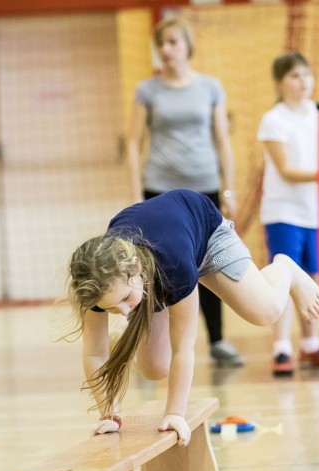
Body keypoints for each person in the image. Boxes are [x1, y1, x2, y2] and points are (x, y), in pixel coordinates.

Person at [66, 190, 319, 446]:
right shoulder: (99, 284)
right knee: (154, 368)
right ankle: (153, 295)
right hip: (157, 265)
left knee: (267, 311)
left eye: (124, 301)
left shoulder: (173, 266)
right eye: (111, 309)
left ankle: (285, 268)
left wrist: (175, 414)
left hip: (204, 234)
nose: (123, 312)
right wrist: (110, 415)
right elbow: (95, 354)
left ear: (135, 269)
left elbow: (184, 349)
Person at [125, 16, 243, 367]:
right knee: (155, 268)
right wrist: (135, 194)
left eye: (173, 42)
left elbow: (222, 140)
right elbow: (133, 143)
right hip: (159, 190)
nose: (166, 49)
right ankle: (150, 345)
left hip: (203, 190)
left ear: (187, 46)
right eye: (161, 43)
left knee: (208, 262)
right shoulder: (147, 90)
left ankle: (218, 340)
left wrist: (229, 188)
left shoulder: (210, 87)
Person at [255, 52, 319, 376]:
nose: (303, 82)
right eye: (295, 76)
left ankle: (311, 344)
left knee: (313, 276)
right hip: (284, 210)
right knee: (285, 277)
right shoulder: (274, 119)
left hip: (315, 212)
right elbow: (285, 169)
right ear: (279, 82)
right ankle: (281, 347)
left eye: (307, 75)